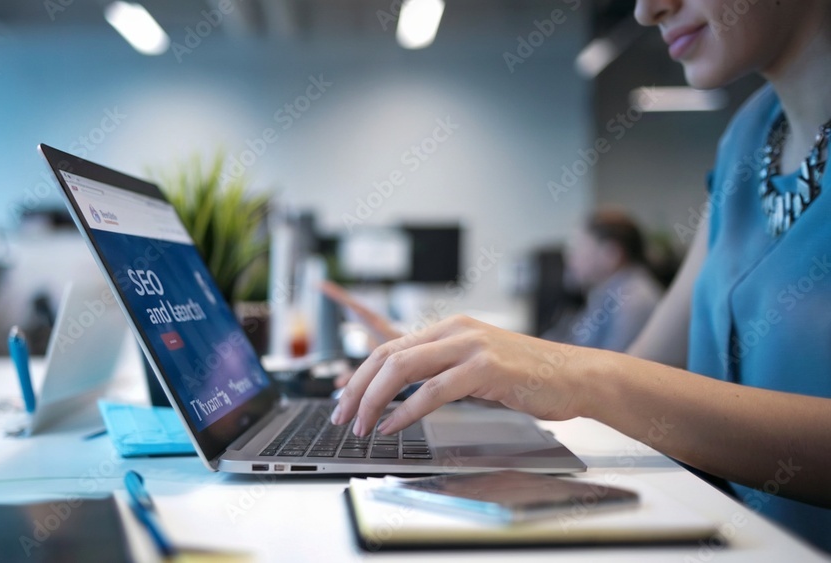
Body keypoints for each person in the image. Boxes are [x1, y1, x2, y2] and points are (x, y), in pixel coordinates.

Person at [324, 0, 831, 552]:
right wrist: (463, 373)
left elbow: (613, 380)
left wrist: (580, 377)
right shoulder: (746, 142)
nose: (646, 10)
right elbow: (649, 369)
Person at [542, 209, 663, 352]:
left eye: (579, 247)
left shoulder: (632, 302)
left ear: (611, 254)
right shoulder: (606, 293)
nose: (570, 258)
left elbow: (616, 368)